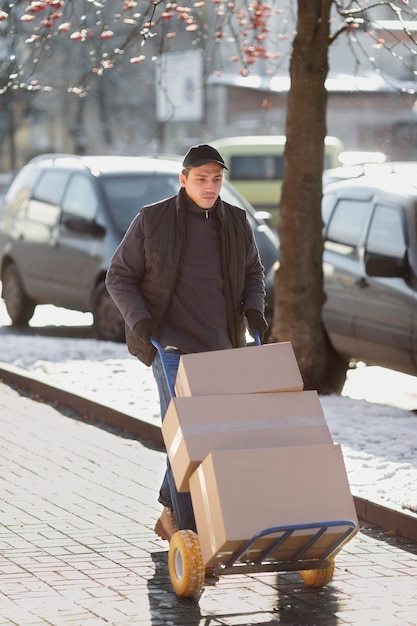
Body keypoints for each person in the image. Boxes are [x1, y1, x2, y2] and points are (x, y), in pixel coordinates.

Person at [106, 143, 268, 542]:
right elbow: (119, 275)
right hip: (171, 347)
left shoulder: (235, 221)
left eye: (216, 179)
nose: (210, 186)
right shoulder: (152, 220)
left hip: (222, 347)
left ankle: (169, 510)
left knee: (211, 436)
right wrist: (141, 322)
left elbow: (253, 272)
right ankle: (189, 532)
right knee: (187, 437)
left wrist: (255, 310)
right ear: (183, 180)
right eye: (201, 179)